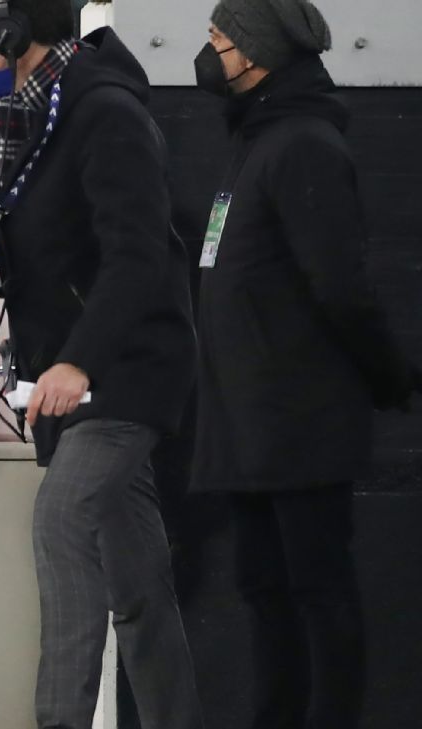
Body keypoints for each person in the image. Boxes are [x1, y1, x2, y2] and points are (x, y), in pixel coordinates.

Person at [0, 1, 203, 727]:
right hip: (80, 375)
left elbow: (137, 257)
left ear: (11, 30)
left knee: (60, 521)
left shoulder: (102, 111)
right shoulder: (36, 114)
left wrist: (76, 361)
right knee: (138, 586)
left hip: (124, 371)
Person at [190, 1, 422, 727]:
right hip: (251, 422)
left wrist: (388, 373)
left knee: (318, 590)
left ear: (257, 56)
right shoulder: (256, 140)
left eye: (220, 41)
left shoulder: (302, 144)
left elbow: (342, 289)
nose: (209, 54)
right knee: (265, 592)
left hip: (297, 421)